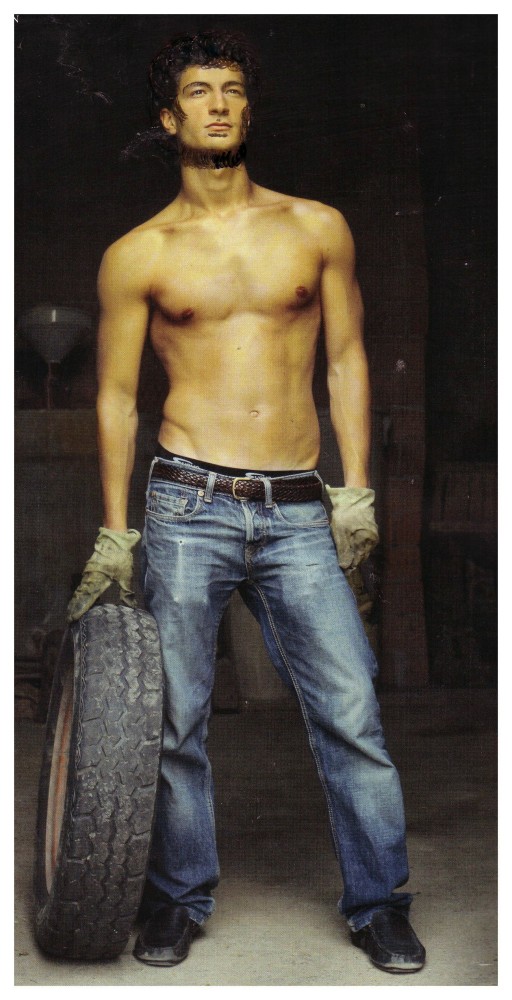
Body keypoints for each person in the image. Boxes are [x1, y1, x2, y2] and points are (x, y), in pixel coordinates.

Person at [68, 28, 426, 975]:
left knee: (351, 712)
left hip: (299, 506)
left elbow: (346, 360)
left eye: (231, 89)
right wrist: (117, 531)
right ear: (168, 117)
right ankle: (177, 898)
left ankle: (380, 904)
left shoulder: (316, 227)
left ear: (248, 109)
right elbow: (116, 398)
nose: (218, 104)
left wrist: (355, 493)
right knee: (175, 719)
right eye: (198, 91)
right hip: (187, 502)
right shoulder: (138, 254)